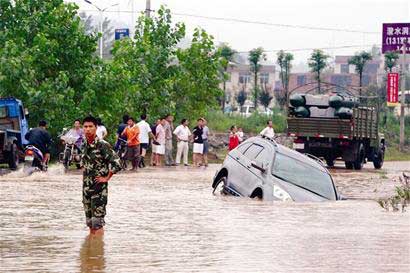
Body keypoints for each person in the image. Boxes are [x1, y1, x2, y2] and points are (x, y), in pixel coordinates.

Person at [81, 116, 121, 235]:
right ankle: (91, 251)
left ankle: (98, 251)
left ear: (96, 128)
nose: (88, 129)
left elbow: (117, 163)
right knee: (89, 222)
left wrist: (107, 177)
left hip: (98, 189)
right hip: (86, 188)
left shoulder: (103, 145)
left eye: (90, 127)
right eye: (85, 127)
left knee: (97, 223)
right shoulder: (85, 144)